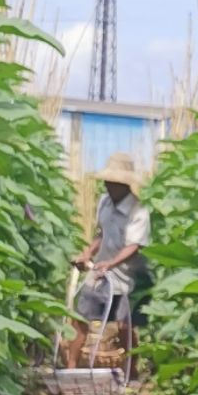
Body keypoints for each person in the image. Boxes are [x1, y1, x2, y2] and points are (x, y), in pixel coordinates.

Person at [68, 153, 152, 365]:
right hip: (99, 274)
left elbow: (134, 246)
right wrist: (87, 254)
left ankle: (130, 375)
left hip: (126, 279)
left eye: (113, 183)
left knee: (125, 327)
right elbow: (101, 234)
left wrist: (111, 263)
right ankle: (70, 369)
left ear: (125, 185)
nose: (108, 186)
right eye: (107, 181)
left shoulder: (138, 211)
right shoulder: (104, 202)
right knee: (80, 321)